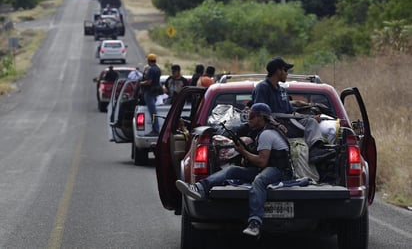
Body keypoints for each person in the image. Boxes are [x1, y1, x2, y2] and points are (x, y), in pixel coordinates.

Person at [176, 103, 293, 237]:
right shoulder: (261, 132)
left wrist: (243, 151)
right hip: (268, 168)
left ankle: (255, 223)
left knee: (259, 181)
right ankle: (199, 187)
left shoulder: (267, 134)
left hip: (281, 172)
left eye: (252, 116)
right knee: (232, 171)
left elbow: (262, 161)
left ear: (261, 117)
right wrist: (245, 155)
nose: (249, 119)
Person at [252, 56, 335, 162]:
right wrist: (276, 124)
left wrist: (310, 115)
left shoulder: (282, 90)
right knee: (310, 122)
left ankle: (316, 150)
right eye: (285, 70)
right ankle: (314, 152)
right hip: (276, 127)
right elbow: (261, 112)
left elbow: (290, 111)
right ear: (278, 71)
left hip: (289, 121)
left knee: (311, 121)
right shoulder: (262, 88)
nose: (287, 73)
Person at [139, 53, 162, 136]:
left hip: (149, 92)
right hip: (155, 92)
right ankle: (155, 128)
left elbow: (149, 82)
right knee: (153, 111)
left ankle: (155, 130)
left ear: (149, 61)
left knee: (153, 112)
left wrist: (141, 83)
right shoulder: (158, 69)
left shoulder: (151, 70)